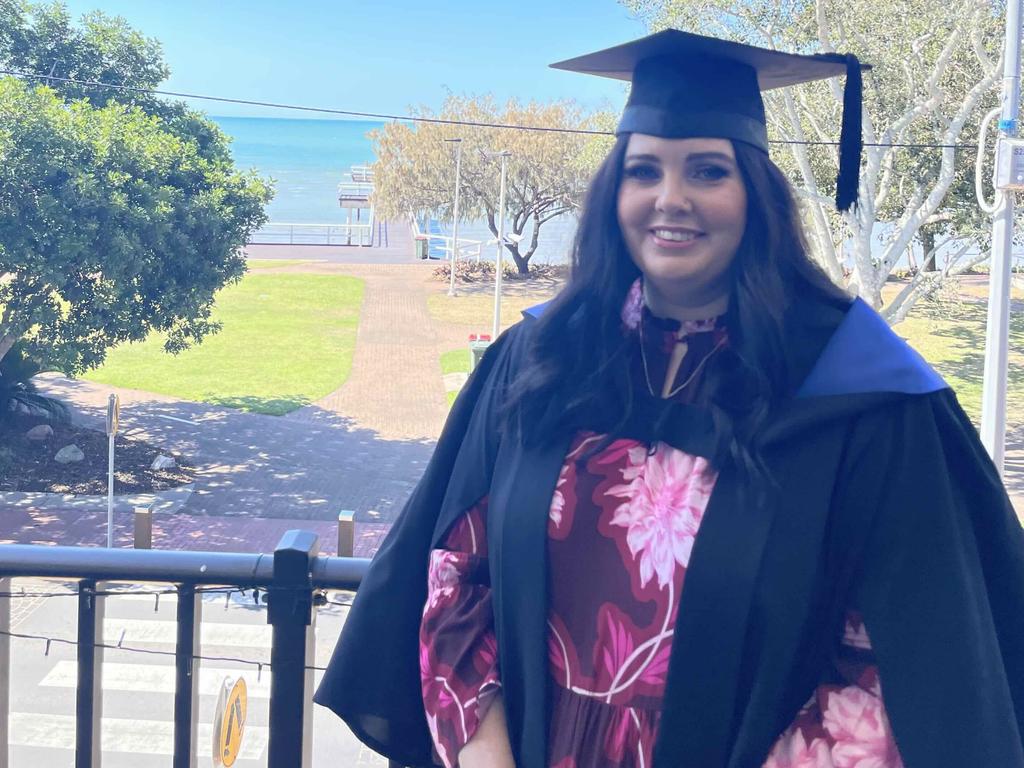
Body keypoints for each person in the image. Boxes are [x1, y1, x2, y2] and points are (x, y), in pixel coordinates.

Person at [315, 29, 1024, 768]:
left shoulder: (862, 399)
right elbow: (457, 574)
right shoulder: (540, 362)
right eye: (643, 169)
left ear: (756, 194)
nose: (670, 199)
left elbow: (897, 669)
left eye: (708, 171)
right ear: (613, 193)